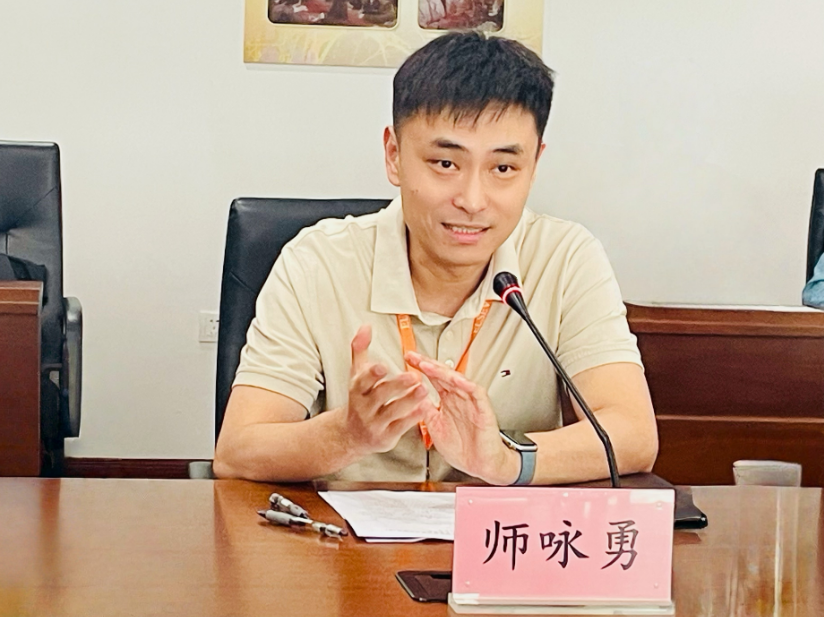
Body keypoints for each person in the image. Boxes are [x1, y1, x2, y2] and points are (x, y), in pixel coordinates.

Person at [214, 32, 658, 486]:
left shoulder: (565, 259)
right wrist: (347, 435)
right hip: (338, 531)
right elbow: (237, 452)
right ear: (394, 155)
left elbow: (633, 434)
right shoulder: (317, 263)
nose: (472, 200)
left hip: (502, 530)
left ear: (534, 166)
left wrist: (505, 461)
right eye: (446, 164)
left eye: (503, 168)